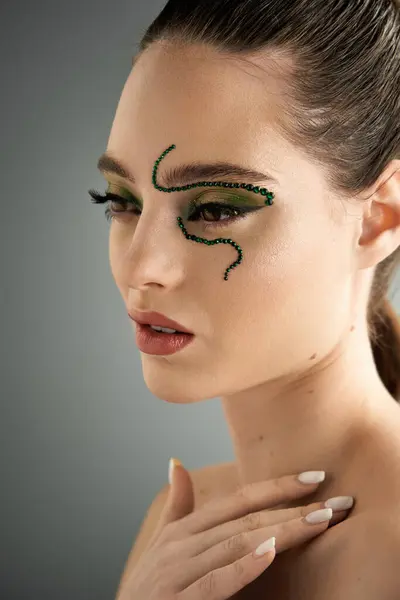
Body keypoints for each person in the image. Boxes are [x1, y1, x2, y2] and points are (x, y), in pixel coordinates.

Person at [89, 0, 400, 597]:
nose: (141, 267)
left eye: (215, 209)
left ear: (378, 218)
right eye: (121, 201)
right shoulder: (179, 529)